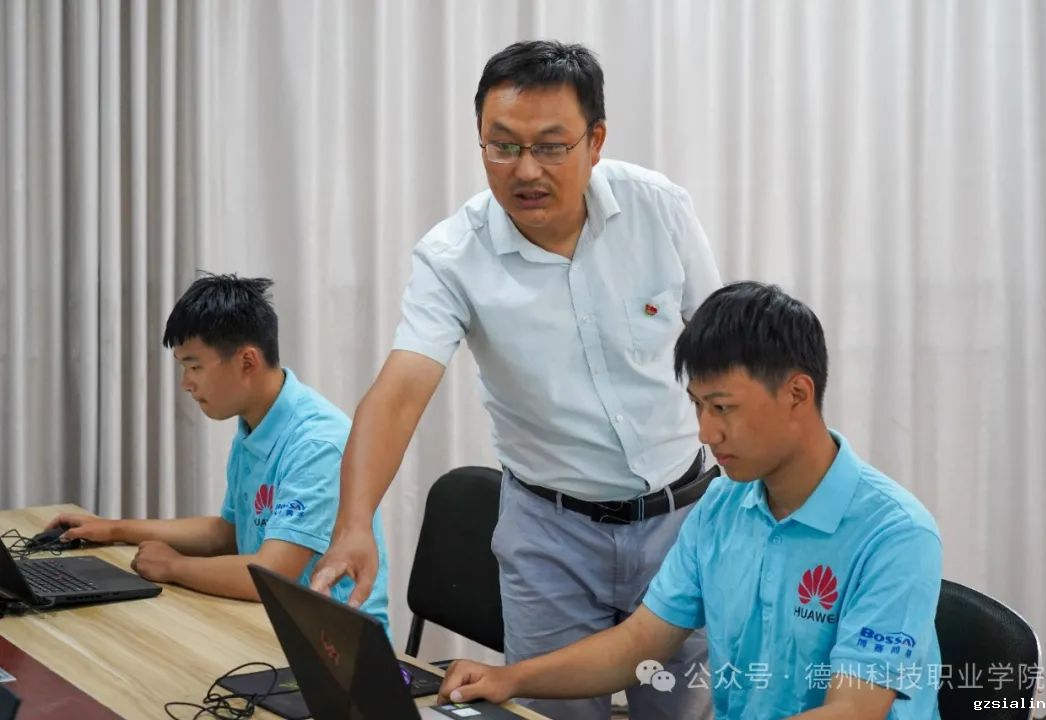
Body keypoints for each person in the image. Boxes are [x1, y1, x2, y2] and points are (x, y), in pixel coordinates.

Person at [312, 40, 720, 718]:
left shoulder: (659, 209)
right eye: (502, 146)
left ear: (595, 141)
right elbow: (399, 394)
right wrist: (355, 523)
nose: (525, 169)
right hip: (550, 538)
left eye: (551, 146)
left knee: (687, 710)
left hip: (683, 522)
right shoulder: (453, 256)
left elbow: (725, 354)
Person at [438, 281, 943, 719]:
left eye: (723, 408)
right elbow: (640, 643)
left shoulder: (894, 534)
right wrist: (511, 679)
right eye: (698, 406)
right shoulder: (722, 507)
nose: (705, 432)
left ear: (797, 394)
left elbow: (854, 710)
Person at [46, 274, 391, 634]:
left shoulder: (317, 443)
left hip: (336, 640)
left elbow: (273, 572)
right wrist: (115, 528)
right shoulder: (255, 424)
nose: (186, 383)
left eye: (195, 367)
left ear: (247, 361)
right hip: (271, 623)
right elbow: (227, 532)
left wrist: (174, 566)